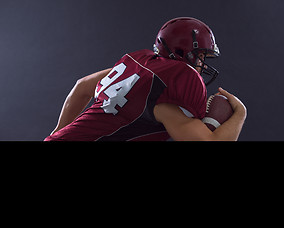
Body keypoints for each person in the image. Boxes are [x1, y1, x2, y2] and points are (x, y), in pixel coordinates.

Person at [44, 17, 246, 141]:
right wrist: (239, 115)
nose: (202, 64)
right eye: (201, 56)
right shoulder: (164, 102)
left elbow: (82, 86)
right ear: (183, 53)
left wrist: (60, 132)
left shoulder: (138, 66)